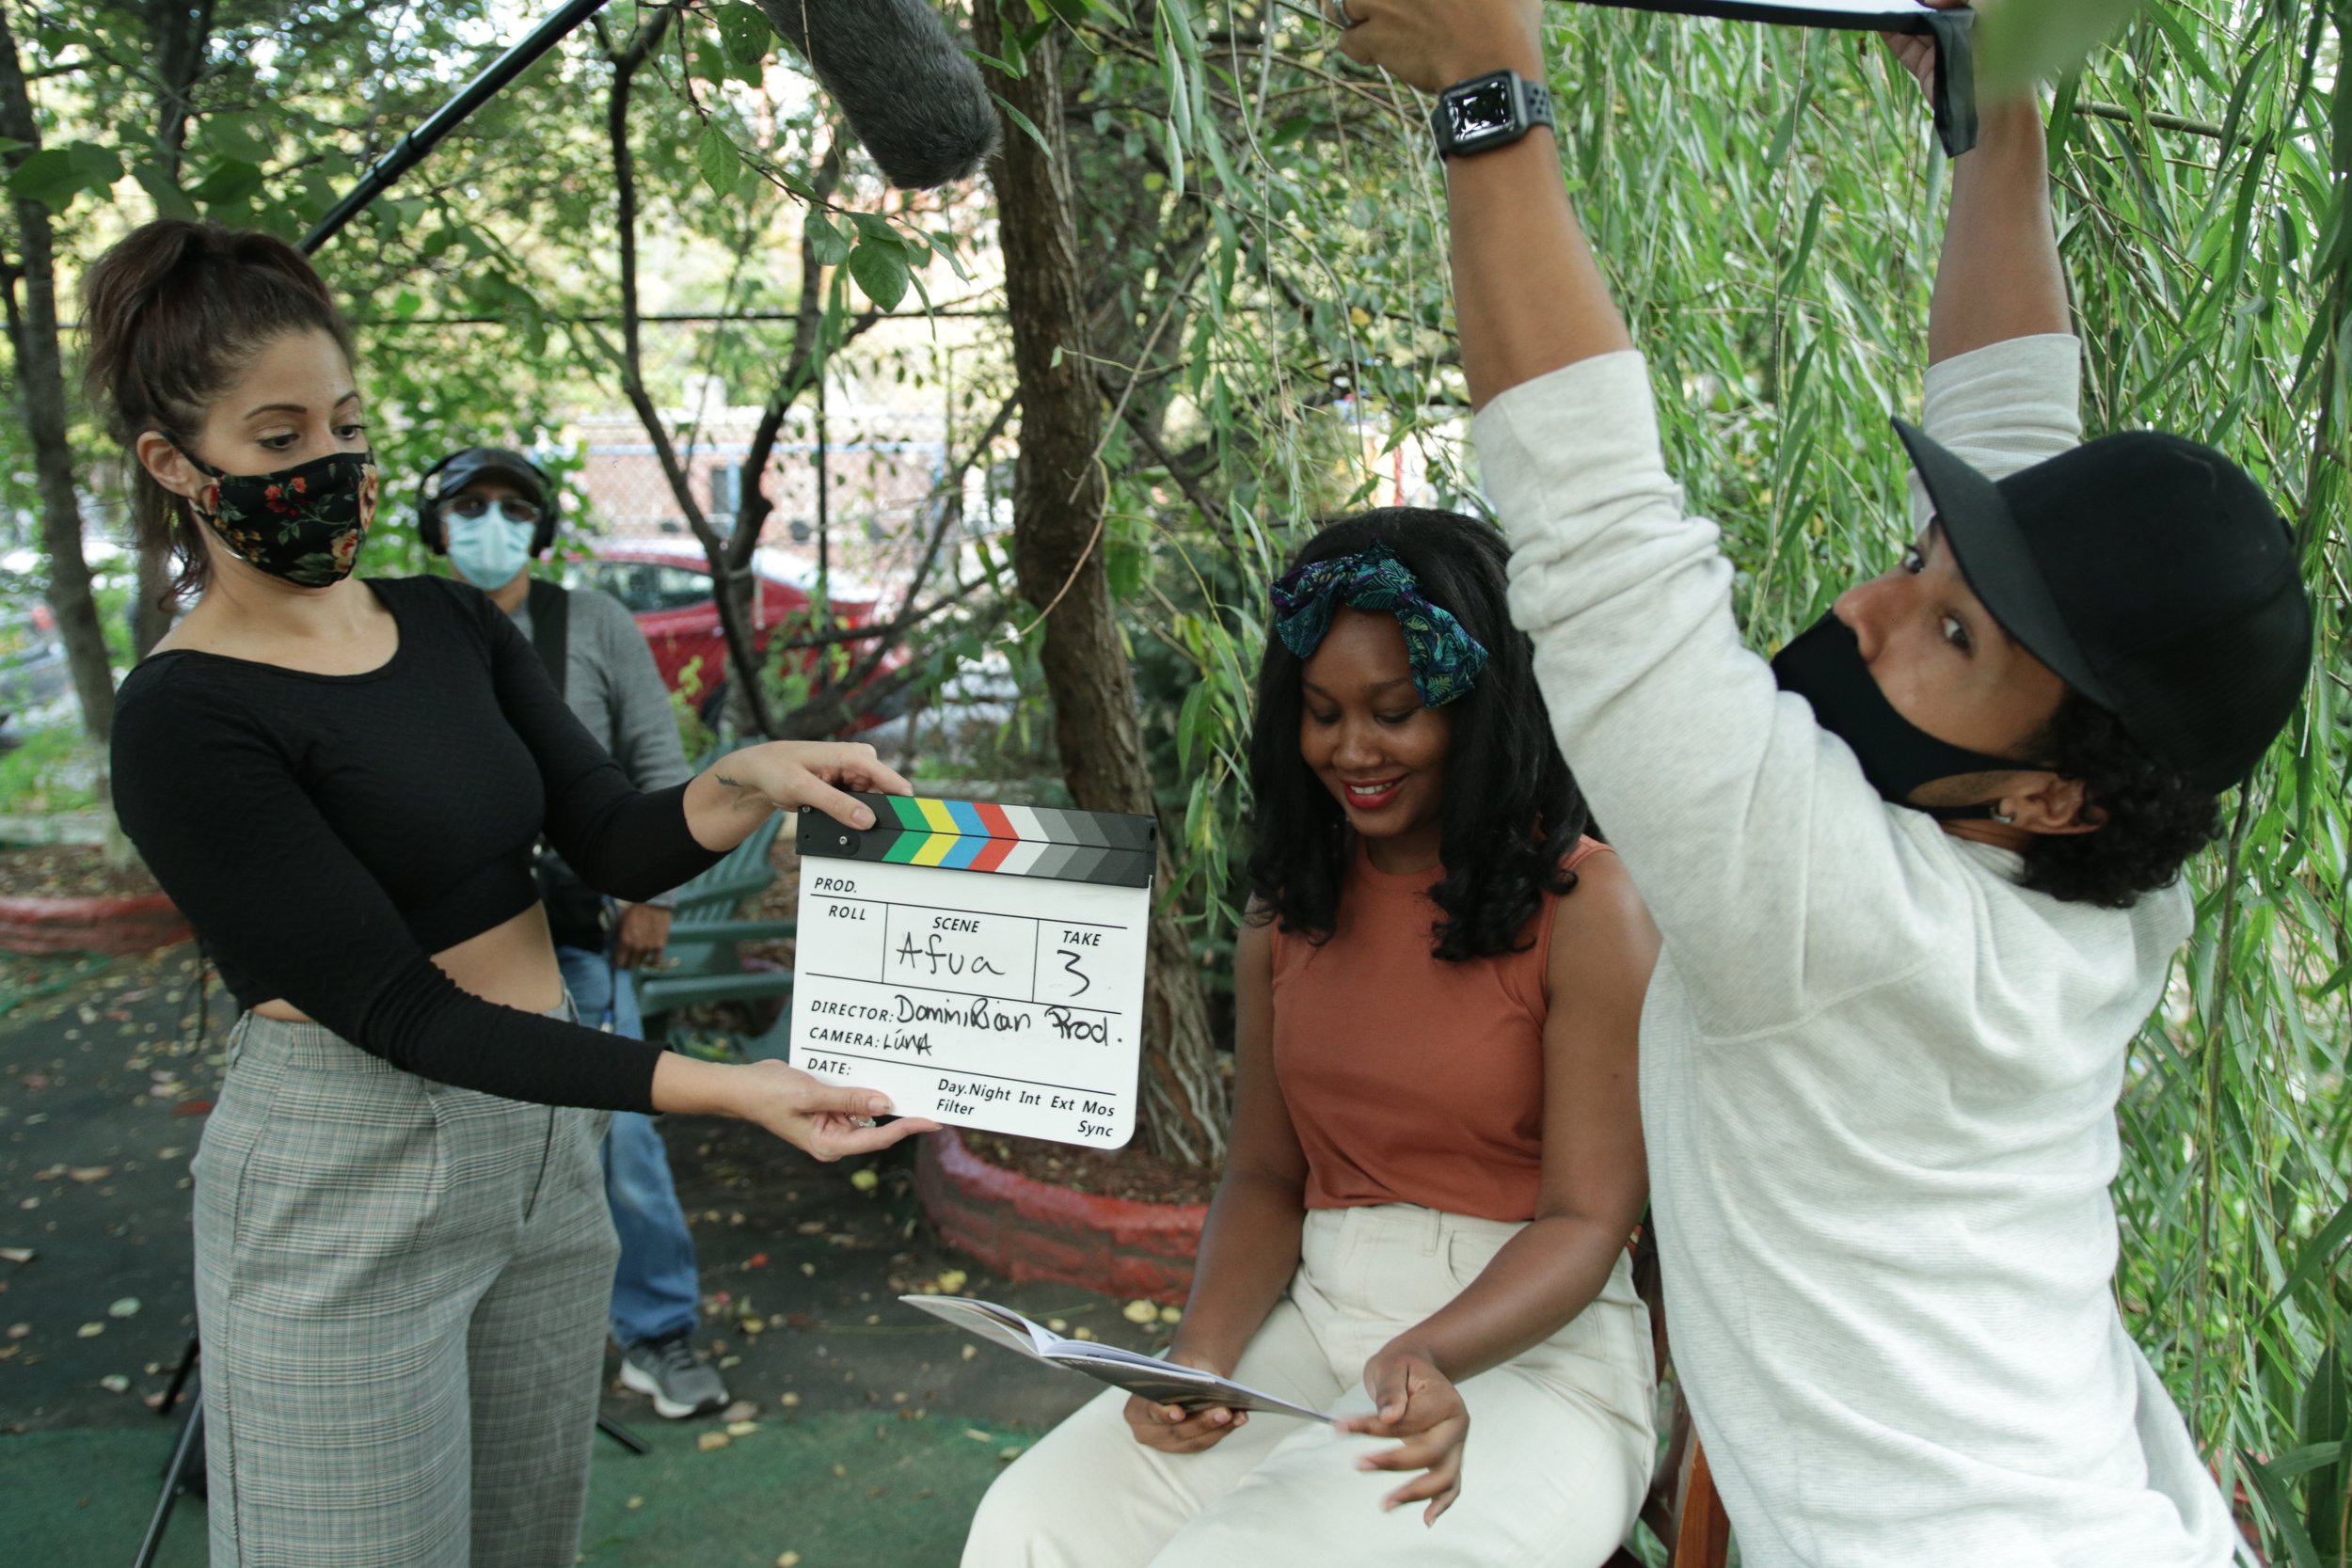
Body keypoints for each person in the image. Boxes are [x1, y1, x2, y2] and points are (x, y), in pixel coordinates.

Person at [1335, 3, 2312, 1565]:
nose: (1867, 608)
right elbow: (2015, 434)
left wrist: (1486, 86)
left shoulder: (1837, 916)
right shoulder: (2099, 872)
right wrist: (1996, 111)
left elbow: (1599, 538)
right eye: (1925, 562)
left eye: (1947, 632)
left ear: (2053, 792)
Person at [87, 218, 936, 1568]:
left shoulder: (451, 622)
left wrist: (745, 779)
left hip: (545, 1134)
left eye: (347, 426)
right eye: (279, 437)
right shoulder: (184, 716)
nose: (330, 466)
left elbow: (611, 839)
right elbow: (402, 1011)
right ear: (173, 462)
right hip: (347, 1165)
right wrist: (730, 1088)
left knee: (523, 1539)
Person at [964, 510, 1661, 1567]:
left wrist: (1427, 1351)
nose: (1352, 750)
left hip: (1533, 1355)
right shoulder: (1287, 908)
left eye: (1395, 712)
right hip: (1315, 1317)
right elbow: (1262, 1176)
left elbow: (1586, 1219)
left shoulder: (1590, 903)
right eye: (1322, 712)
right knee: (1030, 1524)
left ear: (1479, 711)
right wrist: (1197, 1359)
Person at [421, 445, 728, 1419]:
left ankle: (658, 1329)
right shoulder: (402, 629)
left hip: (573, 931)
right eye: (470, 504)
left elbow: (655, 759)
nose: (492, 524)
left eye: (514, 508)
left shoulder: (590, 624)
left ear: (543, 528)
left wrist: (653, 893)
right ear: (435, 522)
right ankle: (467, 1337)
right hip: (443, 943)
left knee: (623, 1136)